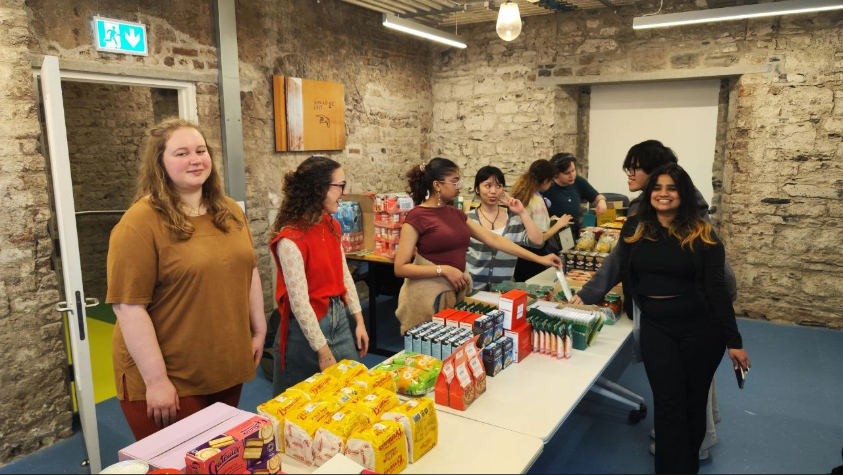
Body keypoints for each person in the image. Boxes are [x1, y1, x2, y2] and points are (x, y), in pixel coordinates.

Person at [572, 139, 736, 459]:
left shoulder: (671, 211)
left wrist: (588, 293)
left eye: (634, 167)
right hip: (681, 313)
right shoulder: (664, 205)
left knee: (685, 386)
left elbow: (620, 259)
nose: (628, 174)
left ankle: (689, 448)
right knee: (682, 386)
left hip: (690, 314)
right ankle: (684, 443)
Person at [107, 119, 266, 440]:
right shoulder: (140, 222)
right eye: (181, 153)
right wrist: (156, 381)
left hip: (223, 365)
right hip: (169, 376)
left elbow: (248, 270)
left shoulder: (231, 211)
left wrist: (260, 329)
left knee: (222, 456)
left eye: (200, 150)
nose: (195, 159)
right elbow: (128, 308)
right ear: (160, 164)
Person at [615, 163, 751, 474]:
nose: (663, 194)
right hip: (656, 328)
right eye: (658, 188)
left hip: (701, 330)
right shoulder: (635, 228)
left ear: (683, 193)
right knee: (668, 402)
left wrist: (735, 341)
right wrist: (629, 307)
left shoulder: (702, 233)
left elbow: (717, 290)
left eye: (671, 188)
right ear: (650, 193)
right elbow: (626, 270)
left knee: (692, 403)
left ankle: (688, 466)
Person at [393, 157, 562, 333]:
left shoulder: (455, 214)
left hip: (455, 293)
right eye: (454, 181)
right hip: (427, 297)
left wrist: (540, 259)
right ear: (437, 185)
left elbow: (494, 240)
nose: (459, 186)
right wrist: (442, 269)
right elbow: (400, 267)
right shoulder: (417, 216)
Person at [269, 156, 369, 396]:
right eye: (340, 186)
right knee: (309, 401)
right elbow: (300, 304)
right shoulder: (290, 239)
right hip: (307, 329)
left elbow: (344, 275)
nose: (343, 193)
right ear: (318, 188)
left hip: (338, 317)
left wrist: (359, 320)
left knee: (352, 392)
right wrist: (322, 351)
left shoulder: (331, 225)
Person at [466, 166, 544, 291]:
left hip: (503, 291)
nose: (493, 191)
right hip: (472, 289)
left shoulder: (513, 219)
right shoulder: (468, 219)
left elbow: (538, 242)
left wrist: (522, 213)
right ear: (477, 189)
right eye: (487, 185)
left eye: (498, 186)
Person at [509, 159, 573, 282]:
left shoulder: (521, 194)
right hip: (533, 255)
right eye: (551, 182)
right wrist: (559, 224)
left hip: (519, 253)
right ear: (545, 181)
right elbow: (541, 238)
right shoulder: (537, 201)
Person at [543, 152, 608, 237]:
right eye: (567, 173)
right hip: (554, 236)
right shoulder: (547, 187)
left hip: (574, 234)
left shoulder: (577, 181)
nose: (572, 175)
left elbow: (596, 196)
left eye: (573, 170)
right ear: (556, 174)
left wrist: (601, 201)